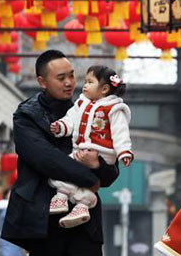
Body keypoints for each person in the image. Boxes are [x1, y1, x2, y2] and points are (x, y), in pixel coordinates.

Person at [2, 50, 120, 256]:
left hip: (85, 219)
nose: (70, 82)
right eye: (61, 77)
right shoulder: (27, 115)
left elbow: (109, 168)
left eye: (72, 75)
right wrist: (89, 176)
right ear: (42, 81)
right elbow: (42, 158)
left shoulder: (95, 109)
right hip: (45, 217)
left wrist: (98, 170)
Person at [49, 65, 133, 229]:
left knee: (64, 170)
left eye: (90, 82)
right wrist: (61, 127)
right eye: (85, 81)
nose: (85, 85)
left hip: (103, 154)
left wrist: (124, 152)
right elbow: (71, 119)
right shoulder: (81, 103)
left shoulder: (114, 108)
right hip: (81, 151)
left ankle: (62, 196)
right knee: (69, 173)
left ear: (104, 89)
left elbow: (120, 131)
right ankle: (80, 205)